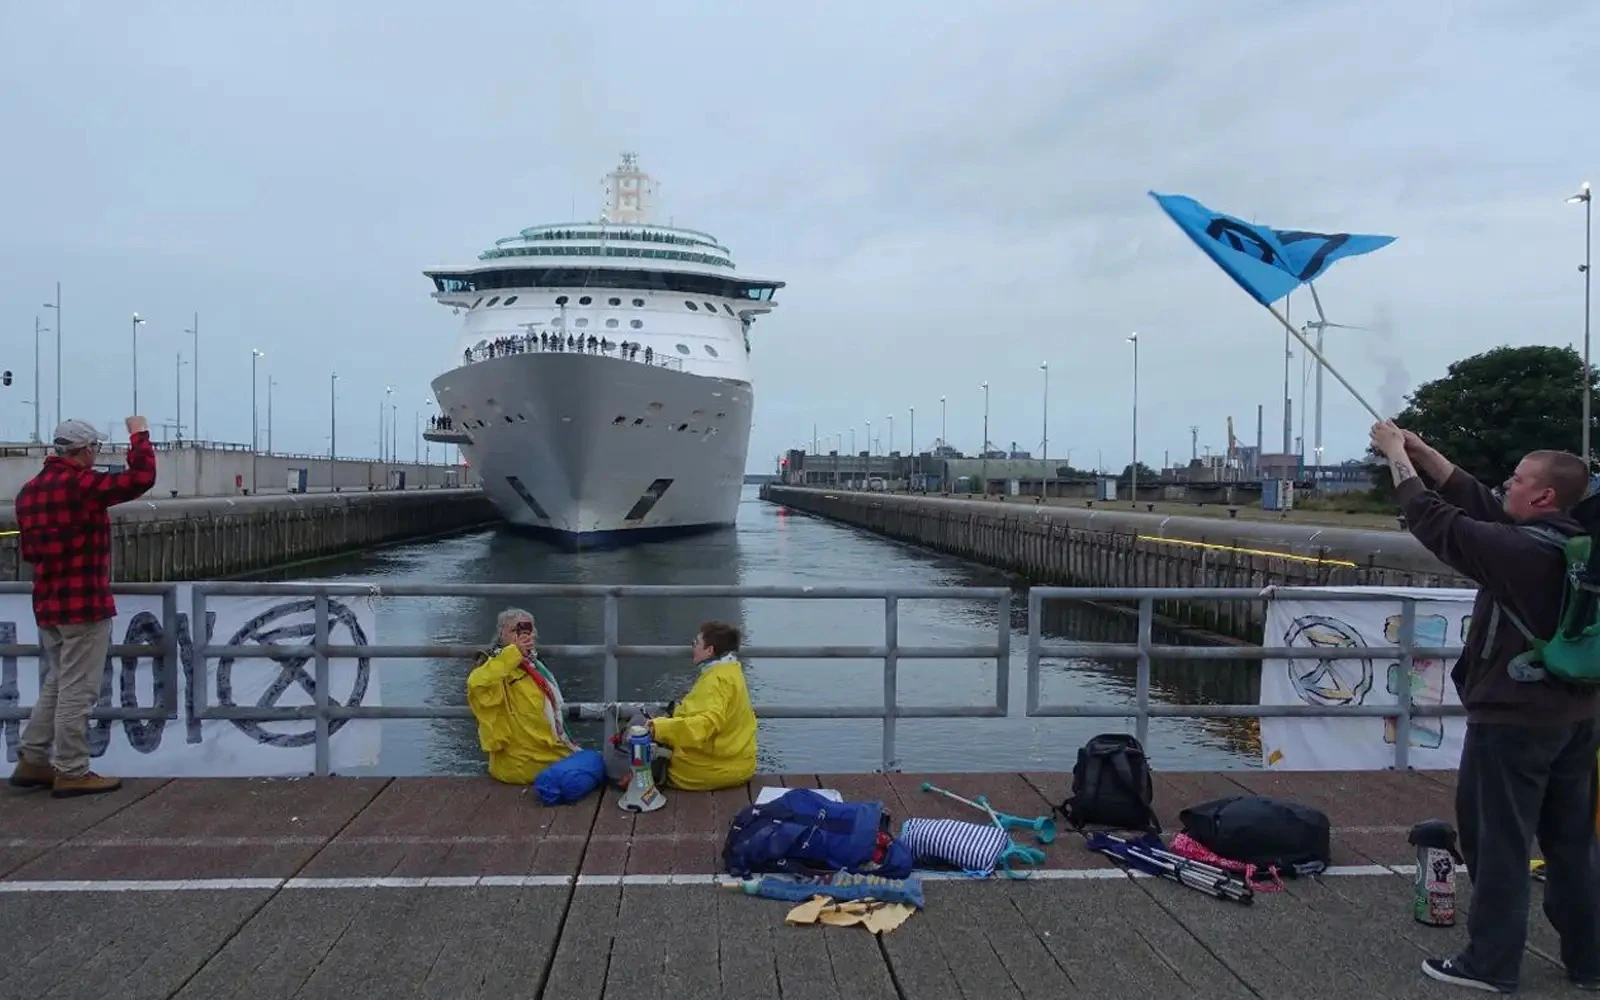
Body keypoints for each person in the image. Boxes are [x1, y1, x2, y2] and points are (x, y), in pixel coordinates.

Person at [1371, 420, 1600, 992]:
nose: (1506, 485)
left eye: (1518, 479)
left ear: (1543, 495)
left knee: (1496, 841)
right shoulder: (1573, 546)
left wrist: (1397, 459)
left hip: (1514, 721)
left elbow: (1437, 523)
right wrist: (1424, 454)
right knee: (1572, 843)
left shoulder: (1518, 552)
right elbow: (1479, 504)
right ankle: (1590, 959)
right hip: (1576, 718)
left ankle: (1491, 963)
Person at [9, 417, 157, 798]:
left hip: (47, 602)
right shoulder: (82, 485)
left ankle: (33, 759)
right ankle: (72, 769)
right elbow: (139, 479)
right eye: (95, 448)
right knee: (78, 689)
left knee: (57, 683)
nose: (97, 454)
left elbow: (29, 550)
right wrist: (139, 436)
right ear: (85, 450)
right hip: (84, 603)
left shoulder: (28, 492)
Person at [466, 608, 579, 785]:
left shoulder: (534, 665)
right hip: (519, 763)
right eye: (515, 631)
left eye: (528, 630)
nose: (523, 636)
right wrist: (514, 652)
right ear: (502, 633)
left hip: (548, 754)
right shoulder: (495, 667)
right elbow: (476, 684)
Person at [647, 620, 758, 792]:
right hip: (739, 762)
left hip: (712, 769)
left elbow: (706, 724)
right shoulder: (732, 671)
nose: (692, 647)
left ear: (709, 650)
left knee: (640, 756)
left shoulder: (716, 681)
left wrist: (658, 728)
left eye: (696, 643)